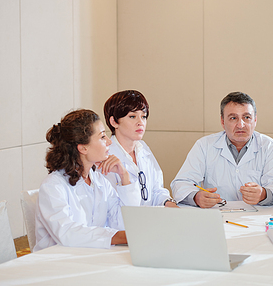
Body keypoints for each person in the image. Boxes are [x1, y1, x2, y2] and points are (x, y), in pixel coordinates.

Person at [34, 109, 140, 252]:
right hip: (57, 263)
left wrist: (124, 176)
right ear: (83, 148)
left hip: (89, 257)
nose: (109, 142)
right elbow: (68, 234)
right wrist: (122, 237)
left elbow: (123, 223)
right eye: (102, 137)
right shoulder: (53, 186)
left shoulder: (98, 179)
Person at [171, 92, 273, 208]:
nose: (240, 125)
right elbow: (180, 184)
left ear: (255, 120)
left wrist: (263, 194)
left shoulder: (271, 147)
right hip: (216, 217)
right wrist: (196, 197)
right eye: (233, 118)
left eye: (247, 117)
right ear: (222, 121)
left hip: (258, 219)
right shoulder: (204, 146)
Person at [103, 90, 177, 207]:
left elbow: (157, 189)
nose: (140, 122)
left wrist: (168, 203)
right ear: (114, 122)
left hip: (149, 219)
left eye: (144, 116)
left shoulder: (143, 148)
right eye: (132, 116)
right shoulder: (105, 155)